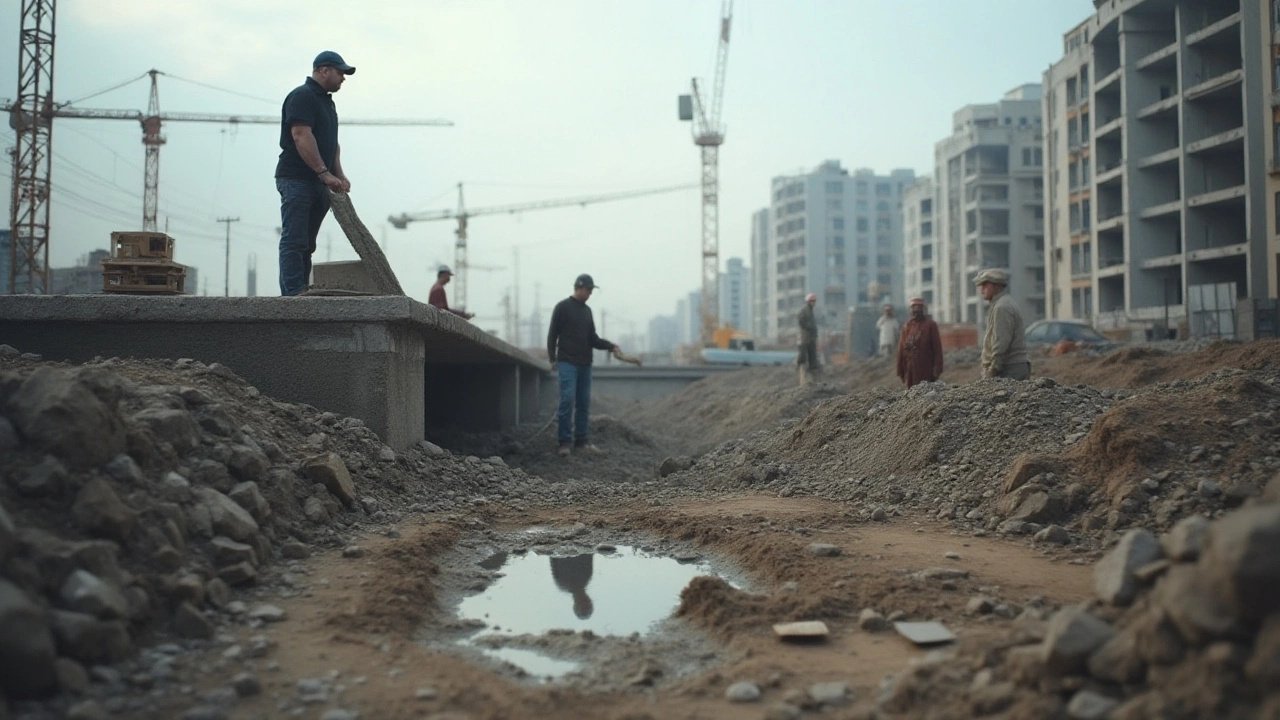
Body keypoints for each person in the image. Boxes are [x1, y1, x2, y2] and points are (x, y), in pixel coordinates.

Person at [275, 51, 356, 296]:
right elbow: (301, 136)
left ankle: (303, 290)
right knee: (295, 240)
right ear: (323, 70)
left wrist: (338, 174)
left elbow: (333, 144)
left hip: (319, 182)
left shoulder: (327, 102)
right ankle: (292, 294)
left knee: (307, 244)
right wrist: (323, 172)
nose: (343, 77)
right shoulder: (302, 96)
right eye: (340, 72)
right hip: (297, 179)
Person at [546, 274, 619, 456]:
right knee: (567, 400)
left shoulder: (587, 311)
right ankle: (564, 443)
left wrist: (610, 346)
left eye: (592, 290)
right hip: (567, 362)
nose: (590, 293)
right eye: (589, 290)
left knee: (584, 403)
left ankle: (581, 442)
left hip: (585, 364)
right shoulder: (562, 308)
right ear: (579, 287)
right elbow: (552, 334)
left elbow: (592, 338)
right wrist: (552, 358)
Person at [975, 269, 1030, 380]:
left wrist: (994, 369)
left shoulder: (1002, 307)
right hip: (1010, 366)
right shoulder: (1000, 304)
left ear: (996, 285)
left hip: (1010, 368)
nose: (982, 290)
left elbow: (1001, 341)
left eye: (985, 285)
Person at [896, 297, 944, 388]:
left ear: (923, 309)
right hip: (910, 367)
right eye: (914, 308)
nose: (916, 310)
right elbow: (901, 348)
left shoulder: (930, 325)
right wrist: (900, 370)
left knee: (925, 391)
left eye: (919, 307)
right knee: (911, 392)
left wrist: (938, 369)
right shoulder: (907, 326)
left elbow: (937, 348)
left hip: (926, 367)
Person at [796, 293, 819, 385]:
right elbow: (801, 321)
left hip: (811, 337)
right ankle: (803, 377)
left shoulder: (810, 311)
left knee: (812, 355)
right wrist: (808, 328)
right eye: (811, 301)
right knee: (803, 355)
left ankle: (812, 372)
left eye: (814, 301)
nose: (813, 303)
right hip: (805, 336)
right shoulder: (804, 310)